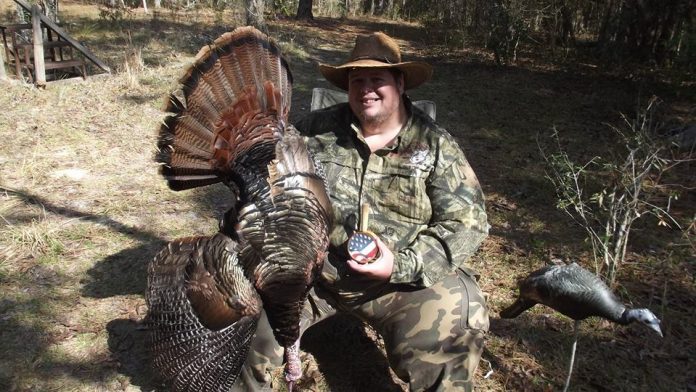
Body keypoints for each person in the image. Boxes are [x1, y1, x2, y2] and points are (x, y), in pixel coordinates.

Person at [233, 31, 490, 392]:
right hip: (314, 274)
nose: (366, 89)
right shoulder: (314, 131)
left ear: (399, 83)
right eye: (357, 80)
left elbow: (468, 222)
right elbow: (269, 181)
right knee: (240, 325)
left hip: (399, 283)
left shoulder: (434, 144)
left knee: (457, 321)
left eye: (377, 79)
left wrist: (401, 264)